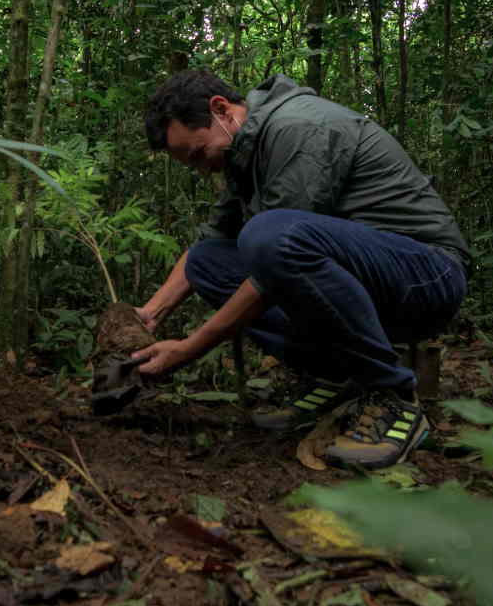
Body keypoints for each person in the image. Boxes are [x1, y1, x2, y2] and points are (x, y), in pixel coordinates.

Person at [130, 70, 470, 469]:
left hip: (426, 274)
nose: (204, 170)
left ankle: (392, 396)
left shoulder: (299, 128)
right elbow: (212, 240)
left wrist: (190, 347)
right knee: (209, 260)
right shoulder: (244, 152)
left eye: (199, 154)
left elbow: (274, 258)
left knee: (269, 236)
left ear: (221, 110)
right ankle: (340, 377)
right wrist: (149, 315)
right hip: (362, 277)